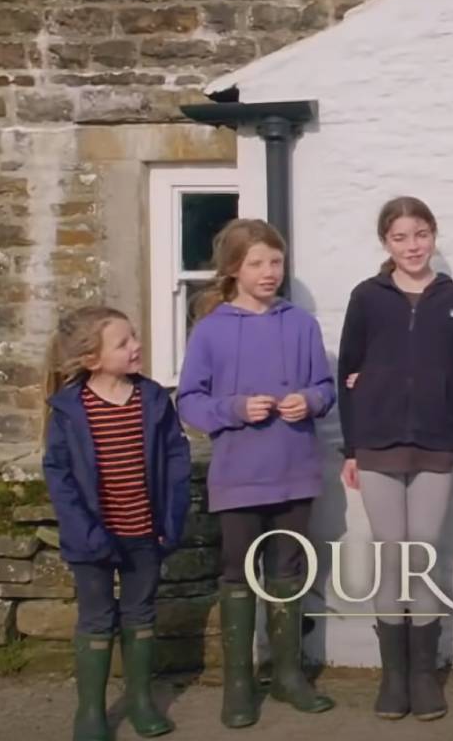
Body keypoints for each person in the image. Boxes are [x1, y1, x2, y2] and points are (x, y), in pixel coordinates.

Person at [177, 218, 338, 728]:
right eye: (257, 263)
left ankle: (288, 676)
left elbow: (326, 388)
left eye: (276, 262)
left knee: (288, 572)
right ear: (232, 269)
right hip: (238, 474)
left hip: (295, 470)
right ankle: (239, 686)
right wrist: (235, 410)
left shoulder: (301, 324)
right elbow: (190, 402)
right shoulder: (211, 330)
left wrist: (309, 401)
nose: (269, 272)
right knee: (239, 575)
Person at [337, 196, 453, 721]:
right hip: (376, 444)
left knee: (422, 558)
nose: (412, 245)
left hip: (435, 443)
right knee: (390, 556)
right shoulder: (368, 298)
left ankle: (424, 677)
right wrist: (351, 447)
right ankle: (393, 678)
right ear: (386, 243)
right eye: (400, 237)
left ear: (433, 235)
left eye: (420, 234)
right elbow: (348, 370)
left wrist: (434, 397)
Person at [41, 306, 192, 741]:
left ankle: (142, 701)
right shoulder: (70, 409)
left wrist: (170, 521)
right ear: (92, 359)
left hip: (145, 533)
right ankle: (90, 712)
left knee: (140, 614)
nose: (136, 346)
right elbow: (61, 476)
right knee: (96, 619)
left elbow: (177, 462)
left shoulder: (153, 399)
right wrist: (84, 534)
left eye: (135, 338)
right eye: (123, 342)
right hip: (90, 539)